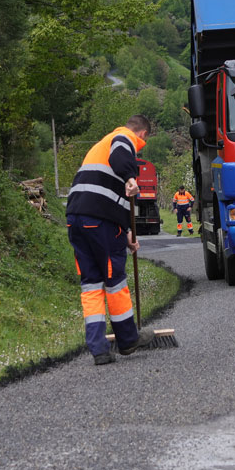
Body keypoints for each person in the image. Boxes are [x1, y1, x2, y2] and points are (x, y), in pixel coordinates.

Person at [65, 114, 157, 366]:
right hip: (99, 221)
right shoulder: (123, 138)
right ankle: (128, 340)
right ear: (142, 134)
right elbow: (120, 158)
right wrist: (131, 177)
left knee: (92, 284)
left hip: (77, 218)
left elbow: (110, 195)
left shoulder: (100, 146)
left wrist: (126, 232)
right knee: (114, 281)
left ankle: (99, 350)